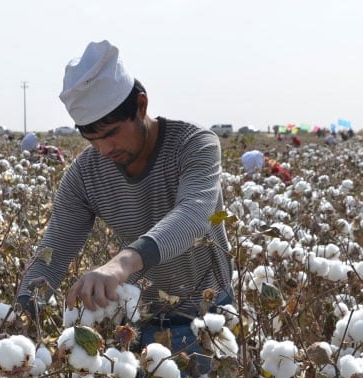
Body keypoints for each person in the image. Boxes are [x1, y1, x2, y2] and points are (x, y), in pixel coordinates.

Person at [16, 40, 233, 359]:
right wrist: (21, 315)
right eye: (92, 139)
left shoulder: (194, 145)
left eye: (112, 133)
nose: (104, 149)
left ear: (141, 106)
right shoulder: (85, 173)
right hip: (138, 318)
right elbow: (55, 249)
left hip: (208, 314)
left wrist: (121, 265)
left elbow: (193, 216)